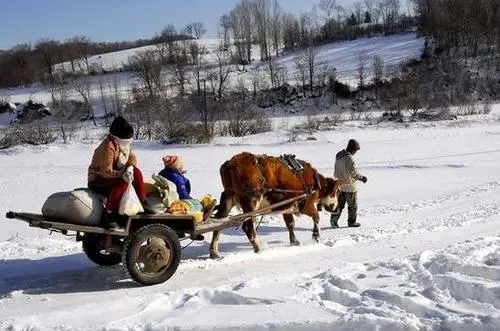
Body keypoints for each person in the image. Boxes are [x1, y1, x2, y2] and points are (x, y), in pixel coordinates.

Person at [87, 116, 156, 229]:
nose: (127, 143)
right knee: (122, 183)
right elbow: (106, 171)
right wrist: (122, 175)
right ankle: (109, 215)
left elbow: (132, 158)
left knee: (137, 172)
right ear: (117, 137)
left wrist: (130, 168)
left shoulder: (124, 145)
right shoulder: (108, 146)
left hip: (116, 175)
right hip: (98, 179)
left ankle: (142, 201)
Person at [330, 139, 367, 228]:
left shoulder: (339, 155)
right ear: (353, 149)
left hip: (339, 184)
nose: (356, 152)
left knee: (339, 204)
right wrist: (362, 178)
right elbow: (353, 173)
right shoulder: (349, 158)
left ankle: (334, 220)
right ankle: (352, 222)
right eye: (356, 150)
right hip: (349, 186)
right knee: (353, 206)